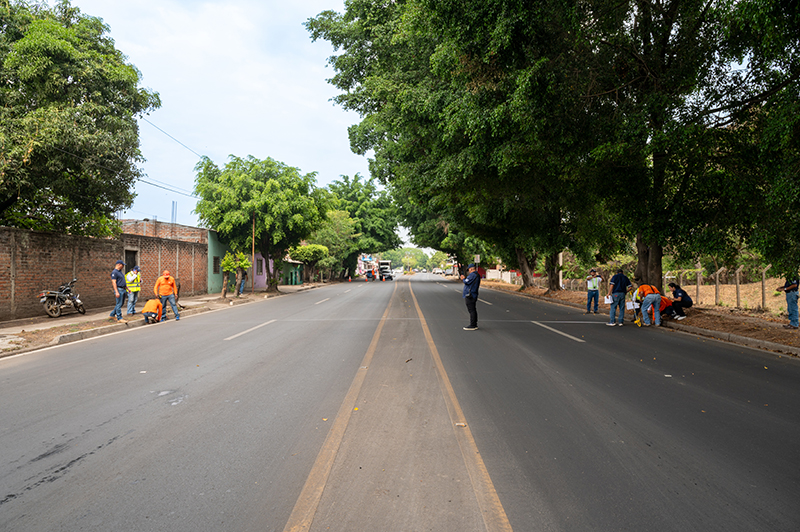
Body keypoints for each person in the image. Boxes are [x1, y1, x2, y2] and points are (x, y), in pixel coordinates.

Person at [461, 263, 481, 330]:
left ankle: (473, 325)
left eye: (469, 270)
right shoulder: (477, 275)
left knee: (471, 310)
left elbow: (467, 282)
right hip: (473, 294)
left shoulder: (472, 275)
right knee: (473, 310)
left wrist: (463, 279)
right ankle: (474, 324)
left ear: (471, 269)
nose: (469, 271)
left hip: (470, 295)